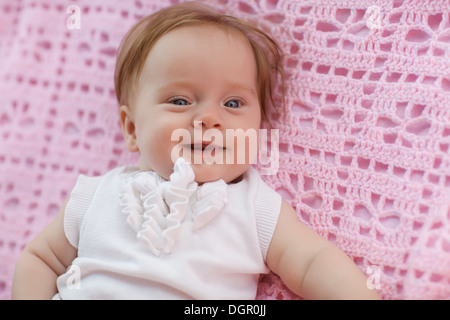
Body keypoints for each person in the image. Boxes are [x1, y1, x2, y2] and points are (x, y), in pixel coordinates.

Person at [12, 2, 380, 300]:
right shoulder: (94, 197)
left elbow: (313, 261)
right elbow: (40, 259)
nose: (208, 118)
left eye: (234, 103)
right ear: (132, 129)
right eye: (180, 100)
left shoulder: (254, 208)